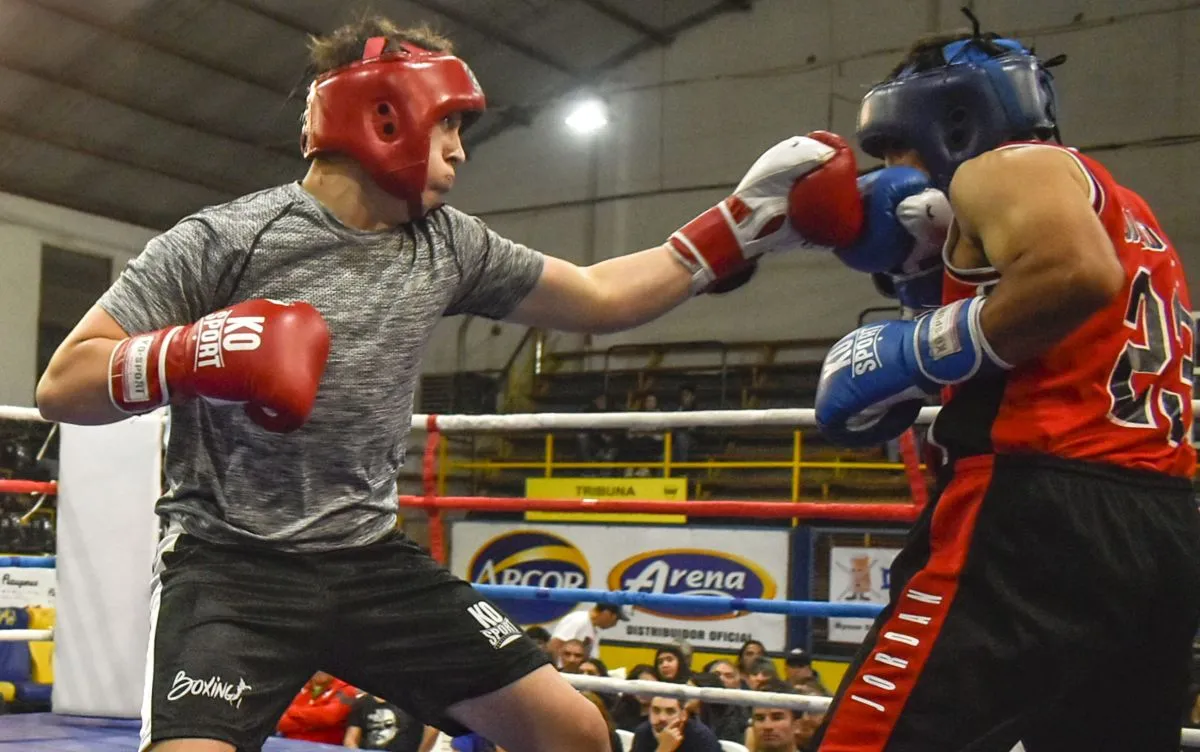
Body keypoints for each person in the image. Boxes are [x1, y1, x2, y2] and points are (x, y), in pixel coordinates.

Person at [33, 11, 862, 752]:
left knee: (574, 732)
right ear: (385, 115)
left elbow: (598, 297)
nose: (462, 150)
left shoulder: (448, 243)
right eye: (451, 125)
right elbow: (62, 384)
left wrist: (733, 230)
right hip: (231, 569)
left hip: (371, 564)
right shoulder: (225, 239)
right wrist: (193, 353)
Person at [811, 15, 1200, 752]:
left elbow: (1076, 275)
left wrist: (915, 351)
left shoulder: (1001, 168)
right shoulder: (1130, 209)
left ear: (953, 121)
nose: (889, 168)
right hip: (1160, 524)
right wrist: (928, 292)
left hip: (1032, 515)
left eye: (894, 146)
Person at [276, 672, 357, 746]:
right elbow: (278, 722)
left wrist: (291, 710)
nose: (320, 672)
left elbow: (330, 717)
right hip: (287, 745)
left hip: (325, 747)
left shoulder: (347, 689)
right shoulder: (297, 686)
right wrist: (315, 723)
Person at [631, 695, 722, 752]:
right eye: (656, 710)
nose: (662, 718)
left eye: (670, 711)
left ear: (683, 715)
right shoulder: (643, 732)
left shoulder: (701, 737)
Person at [547, 603, 628, 664]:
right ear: (607, 613)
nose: (615, 624)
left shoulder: (592, 628)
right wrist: (553, 670)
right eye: (616, 619)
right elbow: (555, 645)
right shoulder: (578, 620)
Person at [345, 691, 425, 751]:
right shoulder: (362, 703)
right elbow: (350, 740)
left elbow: (430, 730)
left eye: (387, 724)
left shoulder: (413, 701)